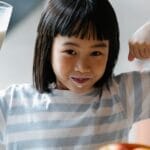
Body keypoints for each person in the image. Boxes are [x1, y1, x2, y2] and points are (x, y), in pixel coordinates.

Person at [0, 0, 150, 149]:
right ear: (47, 49)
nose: (83, 67)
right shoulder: (11, 103)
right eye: (70, 51)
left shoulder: (123, 94)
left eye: (96, 53)